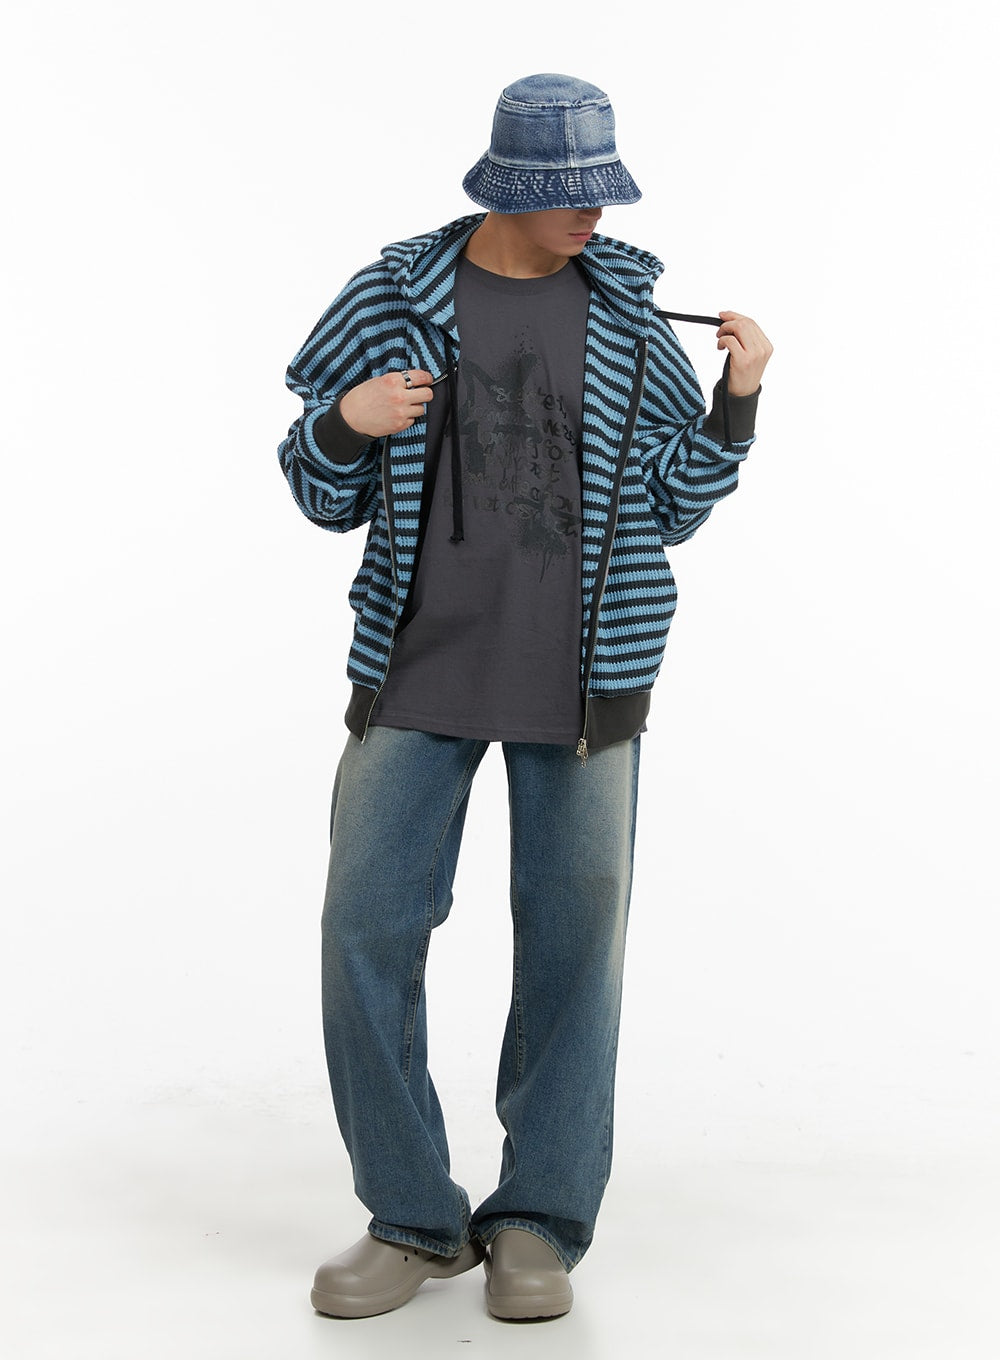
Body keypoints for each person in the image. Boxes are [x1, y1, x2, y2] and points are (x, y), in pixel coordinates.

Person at [277, 72, 772, 1323]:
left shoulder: (627, 312)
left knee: (573, 949)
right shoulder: (392, 298)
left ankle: (539, 1219)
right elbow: (316, 486)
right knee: (363, 928)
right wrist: (347, 422)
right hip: (417, 670)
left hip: (587, 679)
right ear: (508, 188)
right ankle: (409, 1215)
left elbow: (668, 505)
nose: (594, 215)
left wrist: (736, 403)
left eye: (603, 193)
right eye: (570, 195)